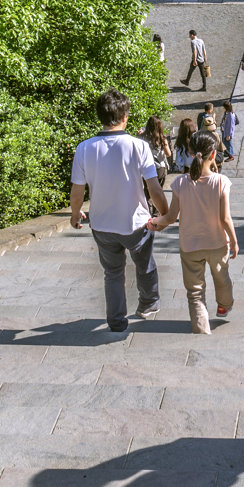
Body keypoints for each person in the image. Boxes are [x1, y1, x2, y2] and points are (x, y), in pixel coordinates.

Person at [69, 90, 168, 332]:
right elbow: (153, 188)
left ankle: (116, 321)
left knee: (112, 273)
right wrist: (165, 215)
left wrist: (74, 215)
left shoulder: (84, 148)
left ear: (99, 116)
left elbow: (77, 191)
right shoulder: (138, 146)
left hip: (101, 223)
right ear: (125, 117)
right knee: (144, 266)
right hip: (136, 222)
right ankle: (148, 304)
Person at [146, 132, 237, 335]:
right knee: (222, 278)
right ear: (214, 154)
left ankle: (201, 329)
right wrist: (234, 240)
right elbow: (225, 218)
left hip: (190, 245)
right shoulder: (222, 182)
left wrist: (153, 222)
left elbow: (170, 217)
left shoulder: (180, 183)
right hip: (217, 243)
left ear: (189, 152)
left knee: (195, 292)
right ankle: (224, 305)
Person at [140, 116, 173, 184]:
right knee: (158, 190)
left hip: (146, 167)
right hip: (159, 167)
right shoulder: (162, 139)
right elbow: (168, 154)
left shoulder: (142, 137)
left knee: (147, 191)